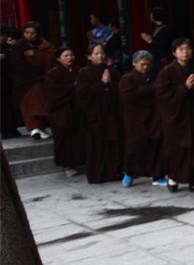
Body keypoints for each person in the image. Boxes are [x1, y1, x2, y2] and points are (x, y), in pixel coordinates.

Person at [155, 37, 194, 193]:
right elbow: (162, 94)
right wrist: (183, 89)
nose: (185, 52)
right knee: (176, 149)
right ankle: (174, 177)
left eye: (188, 49)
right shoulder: (167, 72)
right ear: (174, 53)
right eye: (181, 49)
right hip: (176, 118)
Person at [74, 44, 122, 184]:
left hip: (111, 113)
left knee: (113, 145)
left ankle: (114, 171)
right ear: (89, 57)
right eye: (96, 54)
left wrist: (110, 83)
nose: (100, 56)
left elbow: (120, 87)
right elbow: (82, 93)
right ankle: (98, 175)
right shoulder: (85, 73)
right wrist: (102, 84)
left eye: (102, 53)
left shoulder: (110, 70)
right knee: (96, 146)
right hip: (94, 115)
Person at [119, 51, 167, 187]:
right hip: (134, 118)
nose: (145, 67)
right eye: (142, 64)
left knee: (155, 147)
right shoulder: (127, 79)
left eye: (147, 64)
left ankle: (157, 175)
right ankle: (129, 172)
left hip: (153, 117)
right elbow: (127, 96)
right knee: (134, 147)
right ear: (134, 63)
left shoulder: (154, 77)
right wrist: (148, 89)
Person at [44, 47, 84, 176]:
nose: (69, 58)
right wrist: (73, 87)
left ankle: (81, 162)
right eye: (66, 56)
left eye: (71, 55)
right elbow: (54, 92)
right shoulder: (53, 73)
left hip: (77, 109)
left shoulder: (79, 70)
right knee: (64, 139)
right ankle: (68, 165)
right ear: (58, 58)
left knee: (80, 137)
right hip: (61, 111)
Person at [11, 21, 54, 139]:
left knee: (40, 105)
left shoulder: (43, 44)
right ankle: (35, 129)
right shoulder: (18, 46)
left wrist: (36, 54)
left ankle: (39, 128)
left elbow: (52, 56)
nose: (29, 35)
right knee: (29, 106)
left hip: (41, 80)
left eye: (32, 33)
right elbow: (18, 65)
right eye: (27, 32)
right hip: (24, 82)